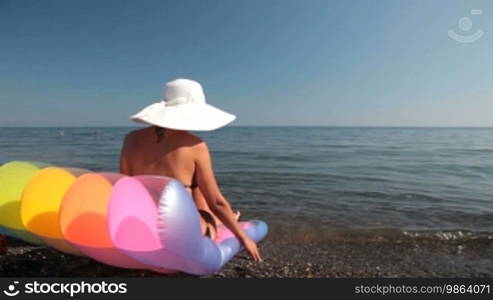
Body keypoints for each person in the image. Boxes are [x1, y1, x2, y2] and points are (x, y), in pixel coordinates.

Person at [119, 78, 262, 262]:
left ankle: (215, 217)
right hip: (179, 232)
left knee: (191, 187)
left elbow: (126, 187)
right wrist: (244, 238)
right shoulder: (195, 146)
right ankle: (219, 222)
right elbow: (216, 202)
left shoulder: (130, 139)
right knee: (197, 194)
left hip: (144, 222)